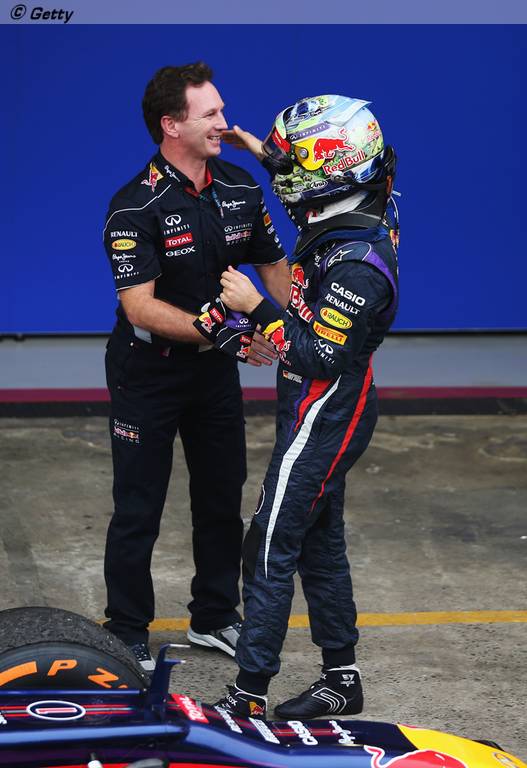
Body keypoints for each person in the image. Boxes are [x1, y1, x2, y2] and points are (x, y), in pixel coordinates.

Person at [212, 94, 400, 717]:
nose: (284, 175)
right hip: (317, 405)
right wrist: (262, 152)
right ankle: (341, 681)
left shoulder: (358, 266)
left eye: (293, 162)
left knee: (269, 542)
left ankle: (247, 695)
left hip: (326, 409)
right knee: (318, 542)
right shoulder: (351, 197)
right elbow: (315, 178)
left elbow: (320, 356)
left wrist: (257, 307)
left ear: (329, 168)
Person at [102, 62, 290, 671]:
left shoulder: (240, 186)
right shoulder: (134, 206)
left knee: (221, 496)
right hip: (146, 372)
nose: (223, 123)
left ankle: (213, 617)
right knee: (138, 506)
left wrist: (287, 326)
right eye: (210, 113)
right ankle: (126, 629)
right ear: (171, 125)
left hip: (213, 373)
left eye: (221, 110)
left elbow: (273, 270)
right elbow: (139, 306)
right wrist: (224, 330)